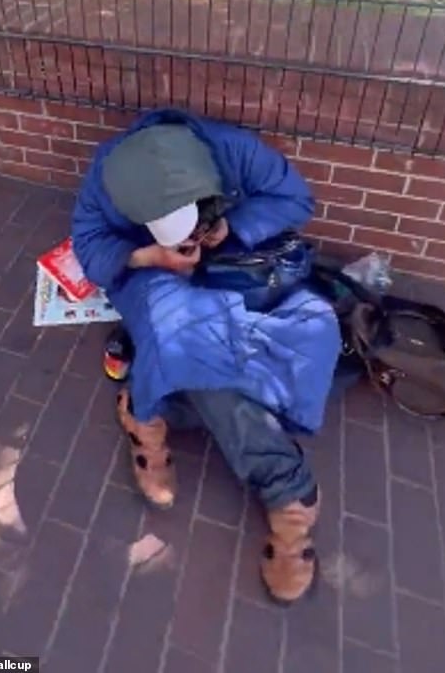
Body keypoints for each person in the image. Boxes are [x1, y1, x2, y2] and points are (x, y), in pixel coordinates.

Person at [71, 108, 341, 605]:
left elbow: (295, 198)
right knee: (189, 340)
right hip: (158, 278)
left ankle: (149, 415)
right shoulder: (110, 172)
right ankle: (289, 494)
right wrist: (150, 256)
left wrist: (229, 228)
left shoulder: (230, 149)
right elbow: (89, 244)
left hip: (243, 267)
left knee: (316, 328)